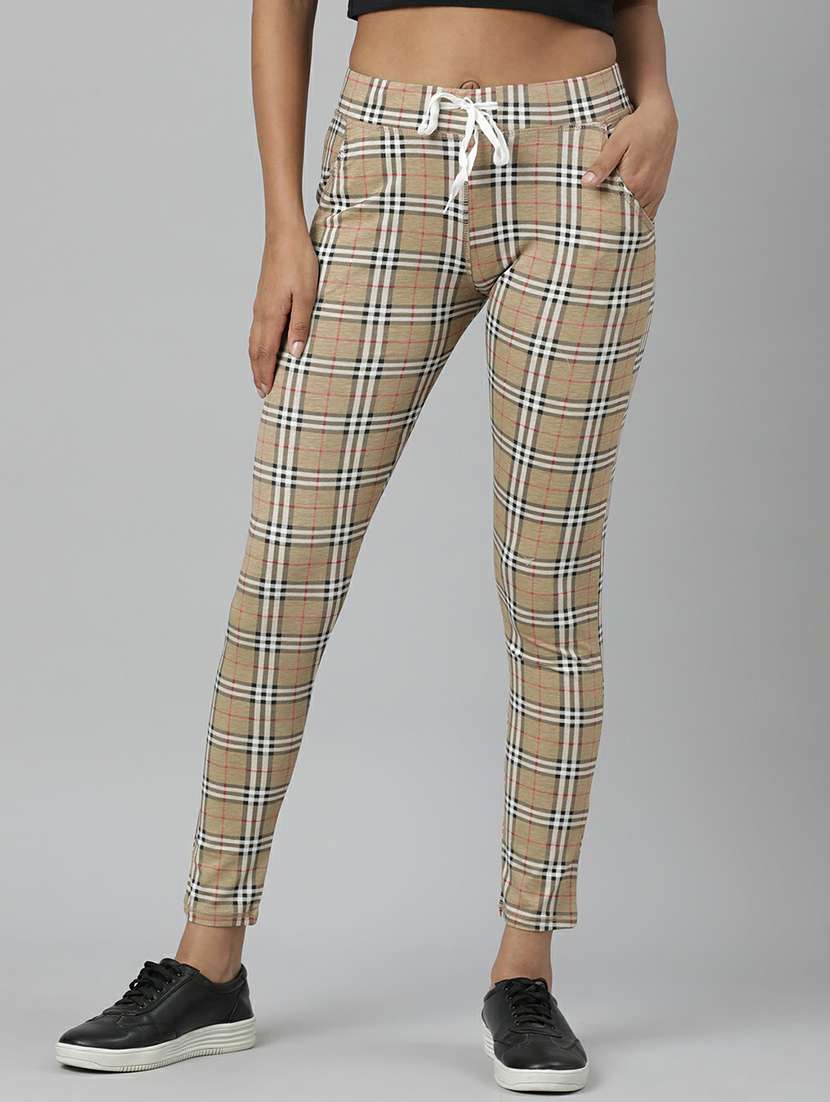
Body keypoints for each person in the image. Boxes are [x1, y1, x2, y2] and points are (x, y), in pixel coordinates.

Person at [56, 0, 676, 1090]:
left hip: (582, 159)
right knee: (284, 575)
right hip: (389, 155)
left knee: (548, 588)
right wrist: (282, 224)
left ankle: (524, 969)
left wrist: (658, 96)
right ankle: (209, 960)